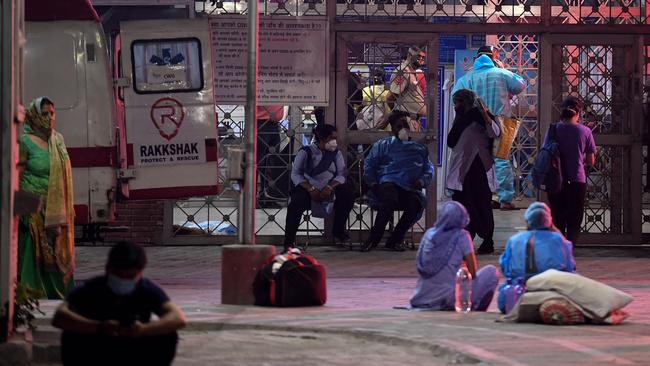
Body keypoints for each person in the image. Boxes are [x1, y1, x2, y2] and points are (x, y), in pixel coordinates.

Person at [52, 241, 187, 366]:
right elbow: (60, 316)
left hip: (132, 346)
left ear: (140, 272)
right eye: (118, 274)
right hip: (96, 346)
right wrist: (100, 327)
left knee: (168, 335)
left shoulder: (146, 289)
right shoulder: (91, 288)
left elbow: (177, 318)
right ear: (108, 269)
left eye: (129, 276)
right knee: (71, 335)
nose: (123, 280)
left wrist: (142, 330)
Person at [452, 45, 526, 210]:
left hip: (473, 125)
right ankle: (505, 199)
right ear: (494, 58)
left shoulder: (466, 78)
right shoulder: (501, 73)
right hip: (501, 123)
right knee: (500, 160)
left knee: (476, 161)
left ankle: (480, 196)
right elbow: (520, 85)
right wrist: (503, 69)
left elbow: (455, 98)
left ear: (476, 59)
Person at [18, 97, 75, 299]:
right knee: (33, 253)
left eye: (52, 113)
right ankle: (32, 292)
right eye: (44, 113)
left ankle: (57, 291)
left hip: (56, 207)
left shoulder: (57, 139)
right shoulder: (24, 142)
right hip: (33, 208)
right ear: (34, 115)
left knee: (57, 250)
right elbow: (18, 176)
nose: (50, 117)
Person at [361, 111, 435, 252]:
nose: (402, 129)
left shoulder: (419, 148)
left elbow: (428, 169)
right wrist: (373, 184)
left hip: (409, 187)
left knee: (415, 204)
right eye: (398, 126)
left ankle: (395, 240)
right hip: (388, 183)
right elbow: (369, 165)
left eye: (405, 125)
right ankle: (373, 239)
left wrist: (421, 181)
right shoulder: (383, 145)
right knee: (389, 199)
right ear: (393, 129)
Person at [410, 201, 499, 311]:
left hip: (421, 298)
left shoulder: (429, 234)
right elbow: (472, 272)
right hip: (448, 299)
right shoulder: (462, 235)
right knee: (491, 272)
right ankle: (474, 308)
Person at [446, 89, 500, 254]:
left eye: (459, 102)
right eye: (455, 102)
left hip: (479, 167)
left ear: (467, 102)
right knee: (463, 203)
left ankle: (486, 239)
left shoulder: (480, 117)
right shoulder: (461, 119)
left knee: (480, 204)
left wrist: (484, 115)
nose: (456, 106)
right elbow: (452, 141)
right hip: (463, 168)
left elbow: (495, 132)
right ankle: (466, 239)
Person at [283, 124, 354, 249]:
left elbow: (341, 175)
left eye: (335, 138)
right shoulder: (306, 152)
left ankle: (338, 231)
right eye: (332, 138)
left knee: (347, 195)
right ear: (321, 138)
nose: (334, 141)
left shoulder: (336, 154)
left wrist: (329, 187)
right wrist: (311, 189)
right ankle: (289, 242)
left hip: (330, 188)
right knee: (295, 203)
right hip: (308, 188)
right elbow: (296, 174)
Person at [498, 202, 576, 313]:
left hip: (517, 298)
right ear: (550, 221)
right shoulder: (559, 240)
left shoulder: (514, 240)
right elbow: (570, 269)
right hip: (551, 297)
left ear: (527, 221)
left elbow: (505, 269)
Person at [546, 96, 596, 245]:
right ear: (578, 113)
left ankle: (559, 248)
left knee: (557, 215)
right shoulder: (585, 131)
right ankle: (570, 247)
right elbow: (590, 160)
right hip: (576, 180)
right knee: (574, 218)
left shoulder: (553, 129)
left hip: (555, 180)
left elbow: (545, 152)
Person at [388, 46, 427, 132]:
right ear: (409, 56)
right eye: (418, 56)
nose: (421, 59)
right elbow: (391, 96)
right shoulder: (403, 71)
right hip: (405, 121)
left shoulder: (412, 71)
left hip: (412, 120)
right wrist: (397, 113)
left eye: (423, 57)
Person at [257, 104, 285, 208]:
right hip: (261, 123)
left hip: (273, 124)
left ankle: (267, 195)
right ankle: (256, 196)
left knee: (272, 161)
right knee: (260, 162)